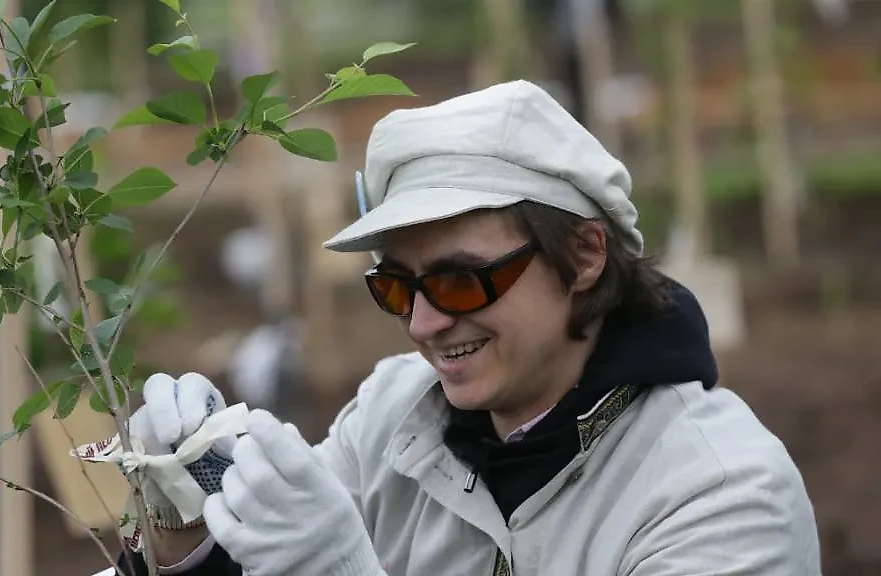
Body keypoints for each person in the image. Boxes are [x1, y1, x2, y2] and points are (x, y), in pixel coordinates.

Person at [106, 80, 821, 575]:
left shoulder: (720, 496)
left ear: (583, 256)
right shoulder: (394, 418)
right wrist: (184, 533)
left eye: (459, 279)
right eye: (396, 285)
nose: (422, 323)